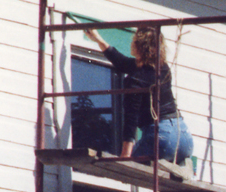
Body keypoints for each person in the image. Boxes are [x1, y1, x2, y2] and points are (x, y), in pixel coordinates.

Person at [83, 27, 194, 166]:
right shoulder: (163, 68)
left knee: (129, 166)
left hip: (163, 138)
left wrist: (125, 155)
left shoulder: (136, 80)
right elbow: (123, 63)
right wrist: (98, 39)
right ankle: (182, 166)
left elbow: (131, 118)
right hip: (184, 137)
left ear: (138, 46)